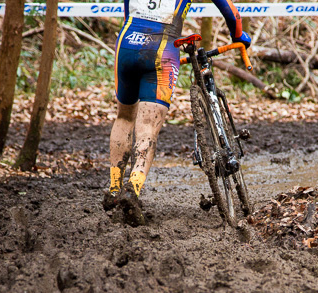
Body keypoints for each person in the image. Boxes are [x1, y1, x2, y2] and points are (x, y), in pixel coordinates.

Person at [103, 0, 251, 226]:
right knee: (147, 129)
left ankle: (114, 190)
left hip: (126, 43)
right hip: (161, 48)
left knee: (124, 117)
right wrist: (238, 35)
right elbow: (229, 10)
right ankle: (131, 190)